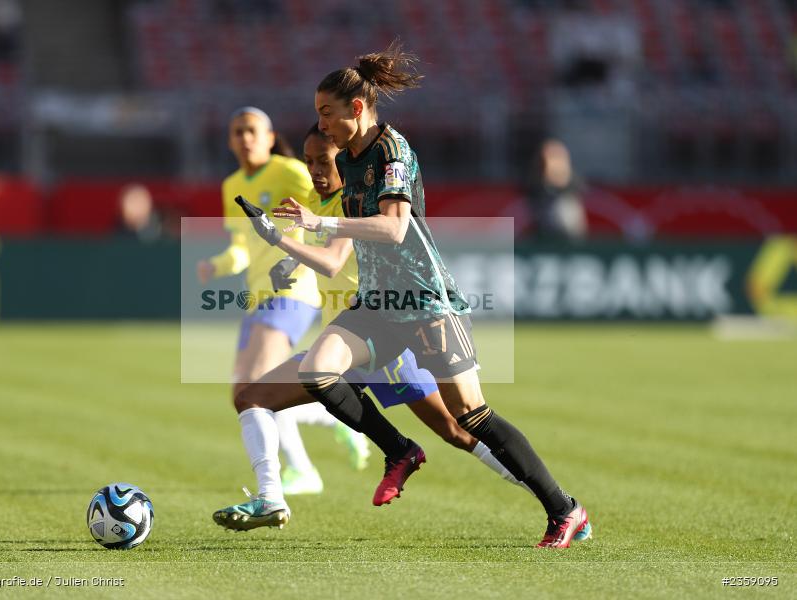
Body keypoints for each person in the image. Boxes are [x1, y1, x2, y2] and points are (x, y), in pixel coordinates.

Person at [248, 41, 590, 549]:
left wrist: (319, 221)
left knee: (471, 416)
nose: (320, 124)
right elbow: (346, 241)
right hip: (379, 303)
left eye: (326, 113)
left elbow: (392, 228)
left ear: (357, 109)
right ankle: (400, 450)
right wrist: (292, 242)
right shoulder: (355, 157)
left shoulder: (392, 151)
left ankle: (565, 510)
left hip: (427, 299)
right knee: (317, 371)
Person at [212, 125, 531, 532]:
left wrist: (278, 242)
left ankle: (547, 498)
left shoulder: (354, 203)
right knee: (252, 397)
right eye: (308, 161)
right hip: (344, 344)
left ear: (343, 158)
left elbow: (331, 260)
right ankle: (271, 497)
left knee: (457, 430)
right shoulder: (316, 199)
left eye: (322, 160)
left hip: (383, 340)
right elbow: (318, 248)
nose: (314, 170)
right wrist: (289, 263)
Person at [197, 106, 364, 495]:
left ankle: (283, 480)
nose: (245, 138)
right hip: (258, 295)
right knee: (243, 392)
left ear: (270, 138)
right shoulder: (231, 185)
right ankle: (329, 422)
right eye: (237, 131)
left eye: (253, 130)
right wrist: (219, 265)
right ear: (229, 140)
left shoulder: (289, 171)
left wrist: (302, 251)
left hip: (294, 291)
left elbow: (327, 205)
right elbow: (240, 245)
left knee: (256, 388)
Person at [524, 139, 587, 242]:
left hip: (571, 235)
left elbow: (577, 189)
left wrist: (560, 174)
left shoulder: (573, 180)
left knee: (564, 208)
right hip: (544, 232)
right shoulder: (535, 181)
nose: (553, 161)